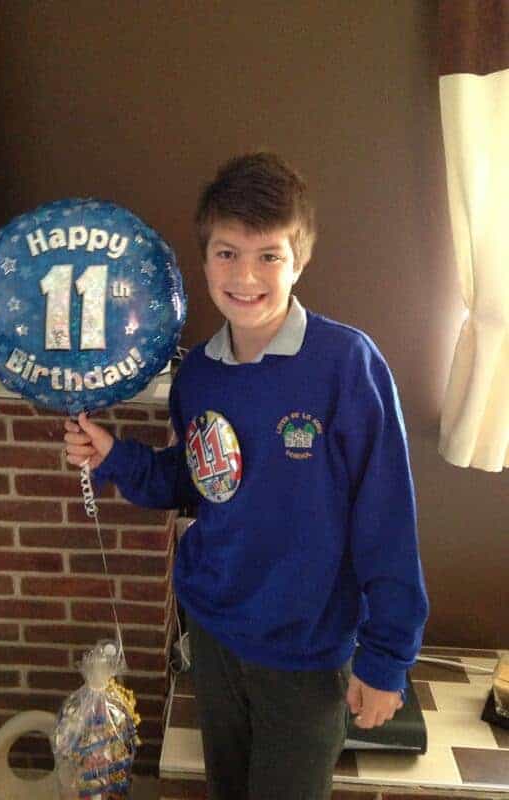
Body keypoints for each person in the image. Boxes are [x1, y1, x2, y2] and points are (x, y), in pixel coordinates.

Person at [64, 152, 429, 800]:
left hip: (306, 653)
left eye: (269, 255)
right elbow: (194, 480)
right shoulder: (200, 372)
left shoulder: (347, 365)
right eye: (227, 253)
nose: (246, 275)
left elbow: (388, 520)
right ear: (203, 262)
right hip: (214, 632)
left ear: (300, 260)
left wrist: (386, 658)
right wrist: (114, 455)